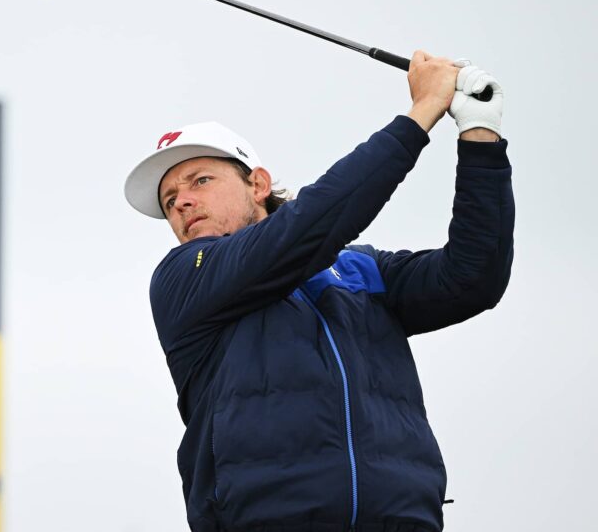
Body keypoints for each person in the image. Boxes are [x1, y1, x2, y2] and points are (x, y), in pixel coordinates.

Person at [123, 51, 513, 532]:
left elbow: (473, 278)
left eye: (200, 180)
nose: (181, 201)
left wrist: (480, 136)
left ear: (258, 184)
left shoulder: (360, 270)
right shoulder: (184, 278)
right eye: (169, 200)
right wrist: (421, 112)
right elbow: (307, 228)